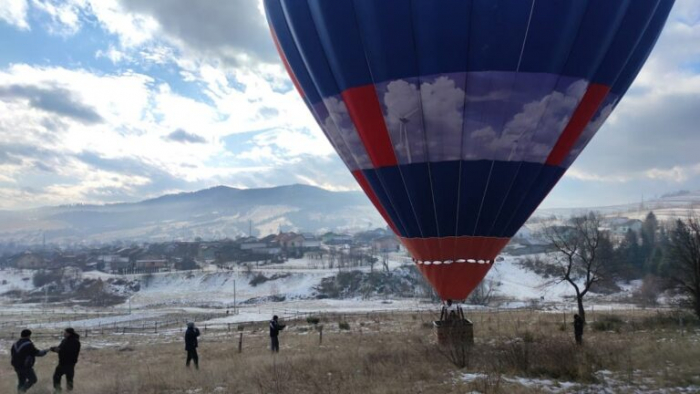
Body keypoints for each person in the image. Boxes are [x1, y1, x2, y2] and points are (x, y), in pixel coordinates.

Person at [50, 327, 81, 392]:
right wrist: (54, 349)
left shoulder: (75, 341)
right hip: (62, 362)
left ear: (69, 333)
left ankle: (66, 391)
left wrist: (59, 350)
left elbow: (70, 351)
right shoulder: (65, 340)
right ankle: (59, 390)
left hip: (69, 362)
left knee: (67, 378)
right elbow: (60, 348)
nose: (64, 333)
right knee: (57, 377)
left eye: (65, 332)